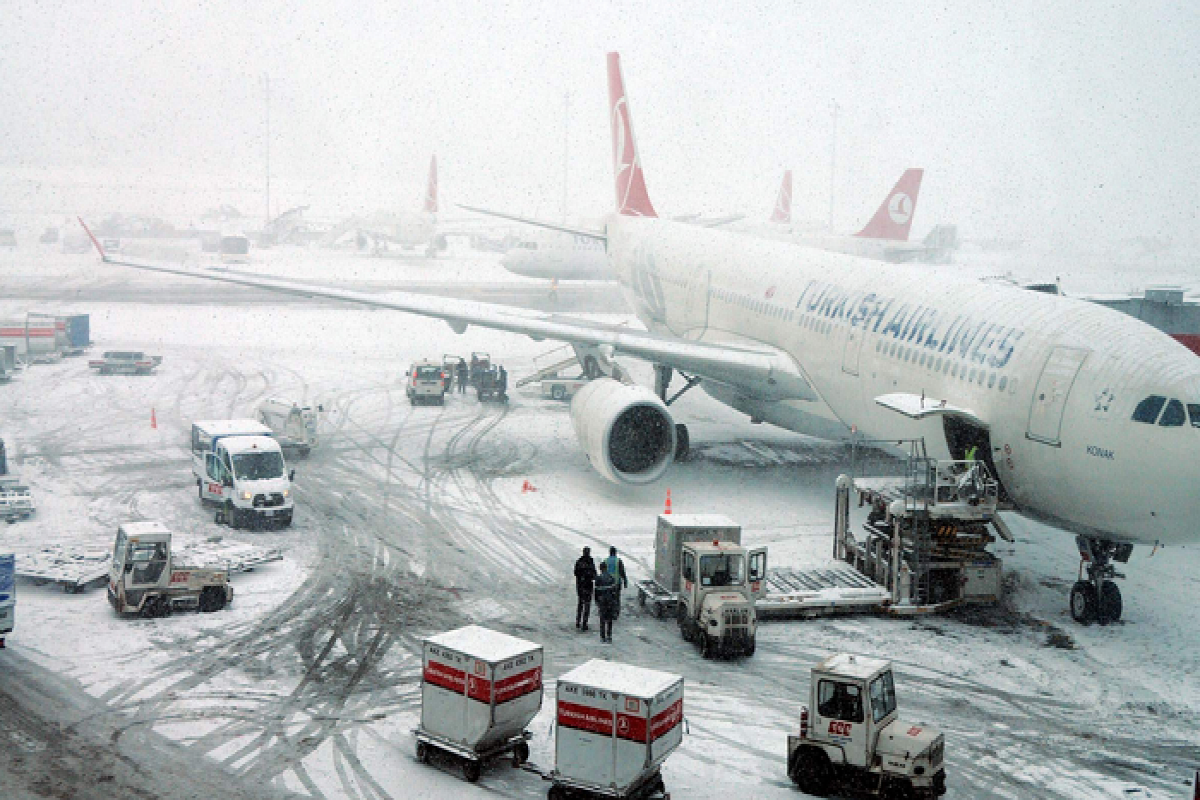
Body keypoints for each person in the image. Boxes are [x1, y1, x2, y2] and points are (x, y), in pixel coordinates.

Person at [574, 546, 597, 631]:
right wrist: (590, 576)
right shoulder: (590, 562)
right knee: (586, 605)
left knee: (581, 604)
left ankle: (578, 621)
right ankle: (584, 623)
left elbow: (575, 573)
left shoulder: (579, 561)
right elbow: (594, 574)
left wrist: (582, 576)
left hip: (581, 586)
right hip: (588, 586)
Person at [594, 562, 618, 643]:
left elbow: (596, 591)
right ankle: (609, 636)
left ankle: (602, 636)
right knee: (609, 619)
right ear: (606, 568)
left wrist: (597, 600)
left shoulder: (598, 578)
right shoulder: (611, 578)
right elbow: (614, 591)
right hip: (610, 600)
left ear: (600, 569)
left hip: (602, 600)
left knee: (602, 619)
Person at [603, 546, 628, 619]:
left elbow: (602, 571)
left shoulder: (605, 561)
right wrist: (625, 581)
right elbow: (622, 572)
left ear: (609, 552)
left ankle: (608, 611)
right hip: (616, 583)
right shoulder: (618, 561)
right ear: (615, 553)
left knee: (608, 598)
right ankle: (615, 613)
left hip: (607, 583)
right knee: (616, 598)